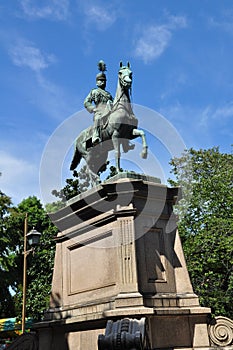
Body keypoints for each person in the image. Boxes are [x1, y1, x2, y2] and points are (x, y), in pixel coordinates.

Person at [84, 67, 113, 145]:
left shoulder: (109, 95)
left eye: (104, 81)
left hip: (109, 112)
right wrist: (93, 108)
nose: (103, 82)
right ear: (97, 82)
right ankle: (95, 136)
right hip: (99, 112)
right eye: (101, 80)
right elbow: (86, 102)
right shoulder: (94, 91)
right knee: (98, 119)